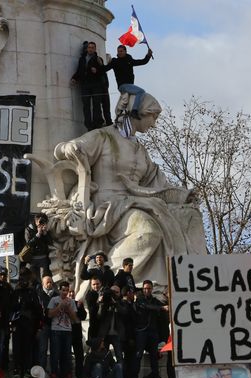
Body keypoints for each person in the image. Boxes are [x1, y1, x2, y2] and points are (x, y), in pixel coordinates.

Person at [54, 88, 206, 287]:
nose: (154, 123)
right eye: (152, 117)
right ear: (138, 113)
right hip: (108, 205)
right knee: (149, 231)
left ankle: (189, 282)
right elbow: (61, 150)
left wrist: (184, 196)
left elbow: (157, 183)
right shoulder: (103, 137)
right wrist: (70, 148)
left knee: (190, 216)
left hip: (135, 202)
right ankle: (104, 279)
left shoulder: (140, 150)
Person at [8, 268, 42, 378]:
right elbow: (10, 308)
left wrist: (38, 327)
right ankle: (16, 369)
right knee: (17, 347)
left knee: (28, 347)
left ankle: (27, 369)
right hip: (17, 323)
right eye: (21, 277)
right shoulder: (15, 292)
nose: (23, 280)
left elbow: (38, 310)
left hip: (29, 323)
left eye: (25, 277)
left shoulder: (32, 292)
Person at [134, 280, 169, 378]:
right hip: (142, 331)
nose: (146, 290)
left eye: (148, 288)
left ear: (152, 289)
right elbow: (148, 307)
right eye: (145, 288)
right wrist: (162, 307)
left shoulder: (154, 300)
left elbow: (162, 306)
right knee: (138, 355)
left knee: (154, 356)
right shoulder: (140, 299)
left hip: (153, 332)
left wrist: (167, 301)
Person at [47, 281, 78, 378]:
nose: (65, 292)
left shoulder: (72, 302)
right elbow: (50, 315)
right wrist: (60, 306)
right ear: (59, 290)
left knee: (66, 354)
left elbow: (74, 319)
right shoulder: (54, 300)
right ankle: (54, 374)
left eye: (67, 290)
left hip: (67, 331)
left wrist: (68, 308)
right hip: (56, 330)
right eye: (63, 290)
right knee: (55, 353)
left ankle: (65, 375)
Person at [71, 41, 107, 130]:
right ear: (87, 49)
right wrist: (74, 78)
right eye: (89, 47)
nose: (90, 49)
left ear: (95, 49)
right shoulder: (82, 59)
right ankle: (88, 125)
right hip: (85, 84)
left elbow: (103, 71)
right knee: (86, 105)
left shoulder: (98, 59)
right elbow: (79, 70)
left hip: (96, 84)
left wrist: (97, 71)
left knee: (96, 104)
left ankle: (97, 123)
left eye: (92, 47)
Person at [35, 275, 57, 371]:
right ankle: (41, 370)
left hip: (55, 326)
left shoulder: (56, 295)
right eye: (47, 282)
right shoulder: (38, 295)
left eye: (50, 282)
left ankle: (54, 371)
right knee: (42, 349)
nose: (49, 284)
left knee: (55, 350)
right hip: (43, 325)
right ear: (43, 283)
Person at [24, 213, 53, 283]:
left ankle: (42, 292)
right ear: (35, 220)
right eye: (40, 221)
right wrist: (37, 235)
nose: (41, 223)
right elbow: (28, 244)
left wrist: (45, 233)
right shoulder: (29, 229)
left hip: (43, 258)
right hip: (31, 259)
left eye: (43, 221)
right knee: (30, 279)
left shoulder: (45, 230)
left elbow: (50, 242)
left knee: (43, 279)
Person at [69, 288, 87, 378]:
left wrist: (80, 307)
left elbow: (83, 316)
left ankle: (80, 376)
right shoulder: (62, 304)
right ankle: (67, 375)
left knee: (79, 356)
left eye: (72, 292)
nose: (71, 294)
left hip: (77, 334)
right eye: (69, 292)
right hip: (67, 335)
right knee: (66, 356)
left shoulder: (78, 303)